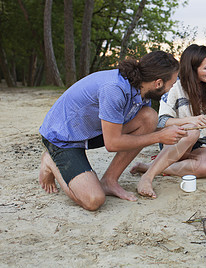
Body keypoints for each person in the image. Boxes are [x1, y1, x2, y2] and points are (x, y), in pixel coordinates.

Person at [39, 51, 186, 210]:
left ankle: (109, 180)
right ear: (158, 83)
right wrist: (159, 137)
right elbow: (112, 143)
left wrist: (175, 128)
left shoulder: (141, 91)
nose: (170, 89)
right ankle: (50, 161)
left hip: (91, 131)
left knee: (149, 117)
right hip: (63, 138)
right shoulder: (115, 89)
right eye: (171, 85)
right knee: (93, 200)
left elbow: (143, 129)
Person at [131, 44, 206, 198]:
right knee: (192, 130)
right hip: (177, 141)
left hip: (205, 144)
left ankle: (151, 166)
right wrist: (191, 121)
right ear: (192, 70)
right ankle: (148, 176)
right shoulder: (175, 84)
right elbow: (161, 122)